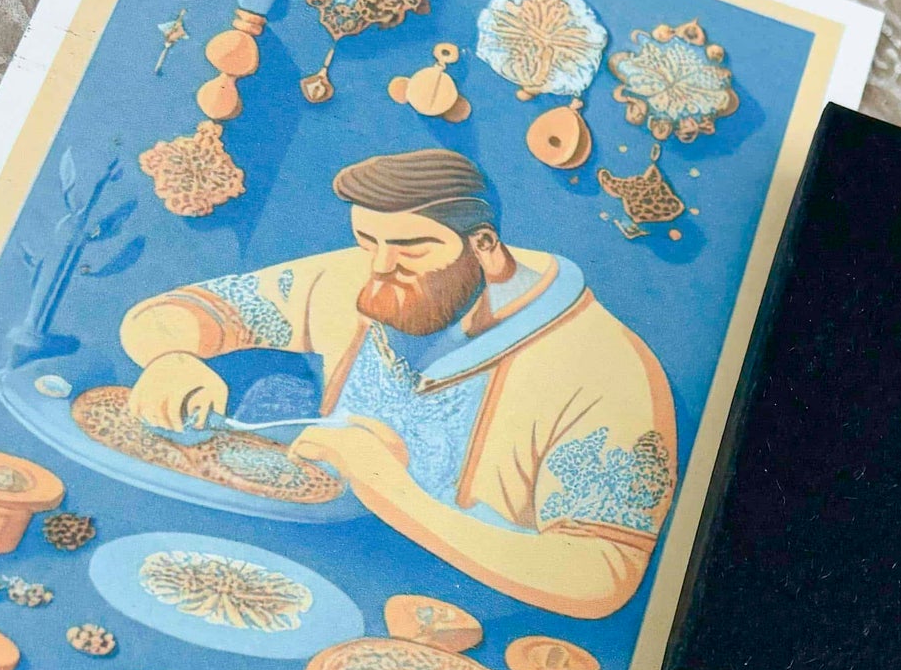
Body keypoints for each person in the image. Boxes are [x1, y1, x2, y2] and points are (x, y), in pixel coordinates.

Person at [119, 148, 676, 620]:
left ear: (484, 246)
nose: (380, 267)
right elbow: (177, 310)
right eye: (367, 241)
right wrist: (172, 357)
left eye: (411, 249)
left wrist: (387, 487)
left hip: (472, 620)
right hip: (305, 569)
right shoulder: (366, 272)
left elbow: (602, 576)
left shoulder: (603, 366)